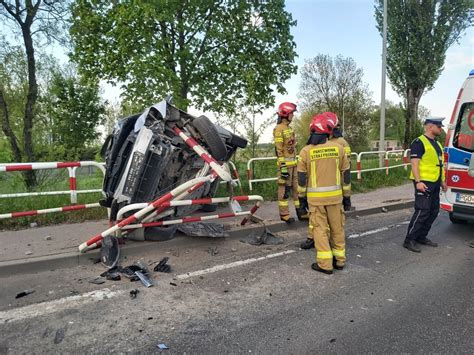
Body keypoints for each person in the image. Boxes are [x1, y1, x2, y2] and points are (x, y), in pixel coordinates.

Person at [297, 112, 350, 274]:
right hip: (335, 198)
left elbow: (301, 180)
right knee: (337, 229)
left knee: (319, 231)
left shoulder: (305, 151)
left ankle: (325, 265)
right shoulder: (339, 149)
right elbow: (346, 176)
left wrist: (301, 200)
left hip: (315, 201)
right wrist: (347, 198)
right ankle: (339, 261)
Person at [403, 118, 447, 253]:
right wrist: (418, 182)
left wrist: (442, 181)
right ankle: (409, 240)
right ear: (430, 127)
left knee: (433, 211)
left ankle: (421, 236)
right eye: (439, 127)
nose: (441, 129)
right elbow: (414, 163)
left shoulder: (437, 144)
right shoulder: (419, 142)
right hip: (424, 182)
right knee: (422, 211)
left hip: (435, 182)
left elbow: (439, 164)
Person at [273, 102, 308, 223]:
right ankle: (284, 214)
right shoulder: (279, 129)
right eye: (291, 113)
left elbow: (292, 148)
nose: (293, 115)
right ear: (285, 114)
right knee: (284, 190)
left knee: (296, 189)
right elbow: (279, 150)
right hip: (285, 167)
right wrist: (282, 167)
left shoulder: (289, 128)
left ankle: (301, 212)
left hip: (294, 165)